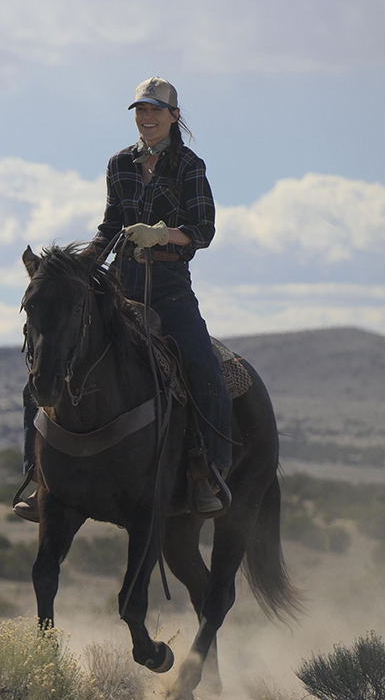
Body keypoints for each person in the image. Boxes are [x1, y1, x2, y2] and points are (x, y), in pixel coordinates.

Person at [14, 77, 232, 522]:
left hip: (169, 287)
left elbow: (203, 231)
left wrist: (161, 234)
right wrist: (82, 266)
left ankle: (204, 471)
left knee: (202, 365)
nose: (146, 118)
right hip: (119, 285)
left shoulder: (190, 165)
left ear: (174, 115)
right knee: (46, 365)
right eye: (140, 110)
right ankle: (40, 478)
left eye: (155, 110)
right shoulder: (119, 164)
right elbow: (111, 222)